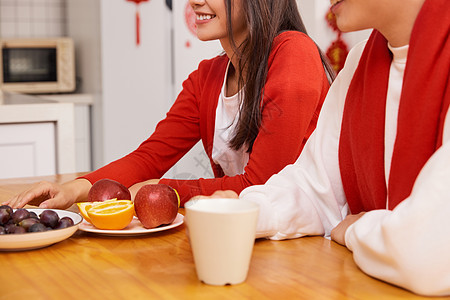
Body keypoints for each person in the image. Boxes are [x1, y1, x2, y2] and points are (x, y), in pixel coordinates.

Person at [204, 0, 450, 296]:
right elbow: (315, 186)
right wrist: (247, 212)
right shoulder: (360, 63)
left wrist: (354, 230)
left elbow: (430, 252)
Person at [5, 0, 334, 209]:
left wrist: (165, 189)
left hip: (306, 241)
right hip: (246, 231)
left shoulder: (293, 53)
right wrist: (70, 191)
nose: (195, 2)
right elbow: (150, 156)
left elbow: (264, 185)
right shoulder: (207, 77)